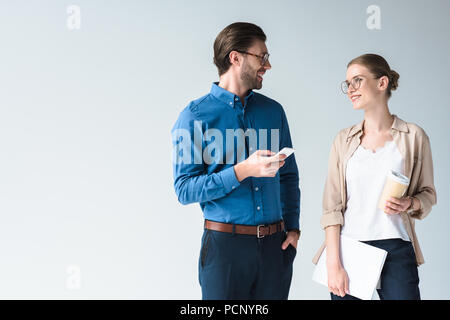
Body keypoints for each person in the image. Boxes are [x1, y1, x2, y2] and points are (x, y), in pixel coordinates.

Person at [171, 22, 301, 300]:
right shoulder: (194, 116)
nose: (268, 65)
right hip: (225, 249)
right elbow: (184, 189)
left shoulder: (273, 111)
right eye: (262, 56)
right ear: (235, 57)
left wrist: (293, 227)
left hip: (275, 249)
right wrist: (242, 171)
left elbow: (289, 175)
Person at [313, 53, 437, 300]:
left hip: (396, 247)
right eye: (347, 83)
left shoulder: (413, 136)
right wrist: (333, 264)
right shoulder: (343, 140)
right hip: (349, 248)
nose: (351, 89)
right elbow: (332, 207)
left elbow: (428, 194)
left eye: (357, 80)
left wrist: (409, 203)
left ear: (382, 83)